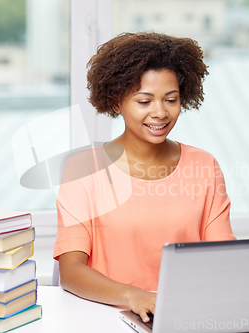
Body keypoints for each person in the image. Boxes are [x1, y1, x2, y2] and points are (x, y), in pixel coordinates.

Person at [53, 32, 236, 323]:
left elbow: (223, 259)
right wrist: (132, 295)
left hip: (185, 316)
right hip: (107, 317)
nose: (160, 113)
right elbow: (70, 271)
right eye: (144, 101)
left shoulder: (204, 165)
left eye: (171, 99)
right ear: (116, 102)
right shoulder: (84, 170)